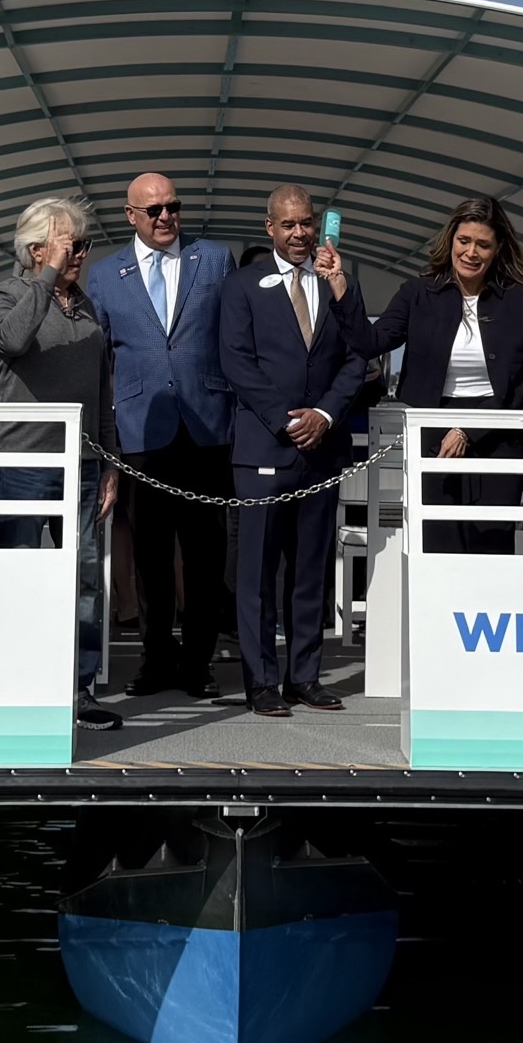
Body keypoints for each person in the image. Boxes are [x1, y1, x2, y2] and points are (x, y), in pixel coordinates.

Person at [317, 195, 523, 554]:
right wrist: (339, 284)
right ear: (450, 240)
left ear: (498, 248)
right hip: (432, 435)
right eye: (464, 241)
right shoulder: (418, 293)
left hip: (498, 434)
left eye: (483, 245)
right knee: (438, 546)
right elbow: (369, 341)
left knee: (491, 545)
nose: (471, 252)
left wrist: (468, 429)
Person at [219, 185, 365, 716]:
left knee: (311, 569)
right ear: (270, 229)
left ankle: (305, 675)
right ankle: (261, 682)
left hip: (322, 449)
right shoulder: (241, 287)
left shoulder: (338, 282)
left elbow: (358, 356)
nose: (299, 233)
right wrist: (287, 421)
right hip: (264, 447)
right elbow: (236, 361)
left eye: (306, 223)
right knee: (256, 572)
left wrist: (324, 415)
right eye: (288, 225)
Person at [89, 173, 235, 700]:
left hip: (207, 427)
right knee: (150, 554)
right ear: (130, 215)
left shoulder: (215, 260)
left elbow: (236, 337)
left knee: (205, 554)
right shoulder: (105, 277)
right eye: (153, 210)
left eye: (173, 205)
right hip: (140, 432)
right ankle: (154, 659)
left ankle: (198, 663)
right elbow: (100, 358)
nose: (165, 216)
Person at [0, 197, 122, 732]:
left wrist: (112, 463)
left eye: (82, 245)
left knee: (85, 579)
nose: (80, 254)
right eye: (70, 245)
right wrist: (45, 277)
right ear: (36, 248)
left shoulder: (84, 306)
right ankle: (11, 681)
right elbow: (11, 339)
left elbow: (101, 391)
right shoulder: (3, 293)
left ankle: (78, 689)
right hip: (23, 459)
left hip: (84, 464)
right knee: (18, 567)